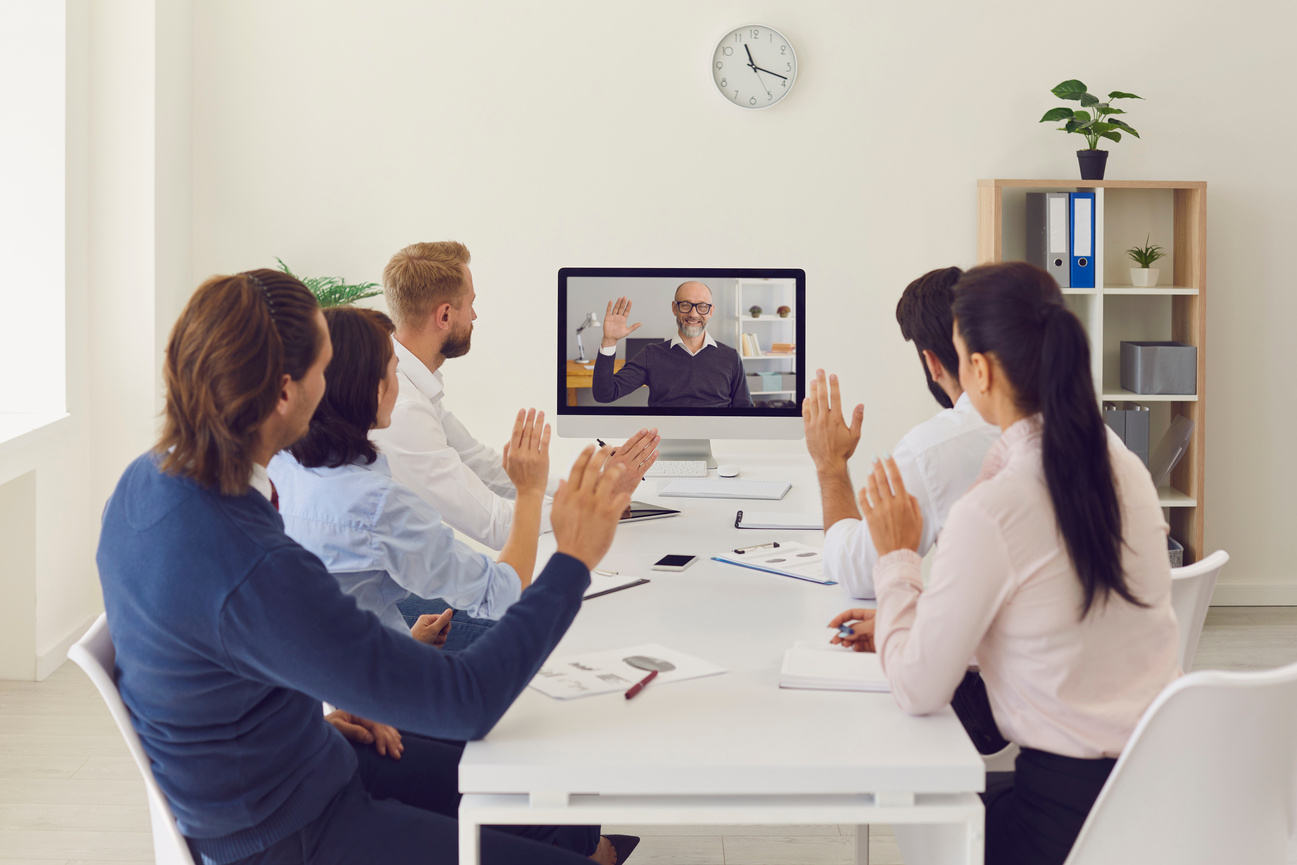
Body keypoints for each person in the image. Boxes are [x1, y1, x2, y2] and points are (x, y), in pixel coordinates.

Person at [96, 269, 638, 865]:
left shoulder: (144, 484)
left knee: (555, 803)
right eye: (323, 373)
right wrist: (574, 557)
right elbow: (470, 699)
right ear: (283, 394)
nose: (333, 389)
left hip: (305, 767)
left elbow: (204, 666)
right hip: (291, 835)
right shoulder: (257, 564)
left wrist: (303, 726)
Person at [827, 262, 1180, 865]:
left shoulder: (994, 507)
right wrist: (910, 619)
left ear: (980, 371)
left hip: (1058, 829)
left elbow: (916, 688)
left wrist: (897, 559)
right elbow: (1048, 615)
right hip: (1156, 802)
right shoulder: (1125, 470)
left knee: (918, 808)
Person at [268, 307, 546, 648]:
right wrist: (530, 490)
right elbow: (502, 594)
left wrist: (408, 641)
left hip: (332, 676)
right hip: (373, 690)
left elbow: (333, 609)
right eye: (394, 372)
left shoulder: (279, 468)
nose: (401, 387)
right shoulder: (377, 503)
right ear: (370, 388)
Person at [370, 240, 660, 552]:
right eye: (470, 304)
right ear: (444, 316)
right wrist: (602, 496)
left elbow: (480, 465)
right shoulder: (403, 409)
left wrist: (586, 487)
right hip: (392, 596)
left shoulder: (412, 386)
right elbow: (496, 526)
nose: (474, 315)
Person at [803, 266, 999, 600]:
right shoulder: (1090, 430)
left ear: (931, 362)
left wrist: (830, 465)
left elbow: (860, 573)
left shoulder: (936, 449)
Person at [593, 281, 754, 408]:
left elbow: (744, 408)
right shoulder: (652, 354)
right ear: (674, 308)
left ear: (710, 311)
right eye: (685, 305)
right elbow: (605, 394)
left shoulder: (730, 356)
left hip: (718, 438)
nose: (693, 314)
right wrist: (609, 341)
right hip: (664, 439)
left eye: (702, 307)